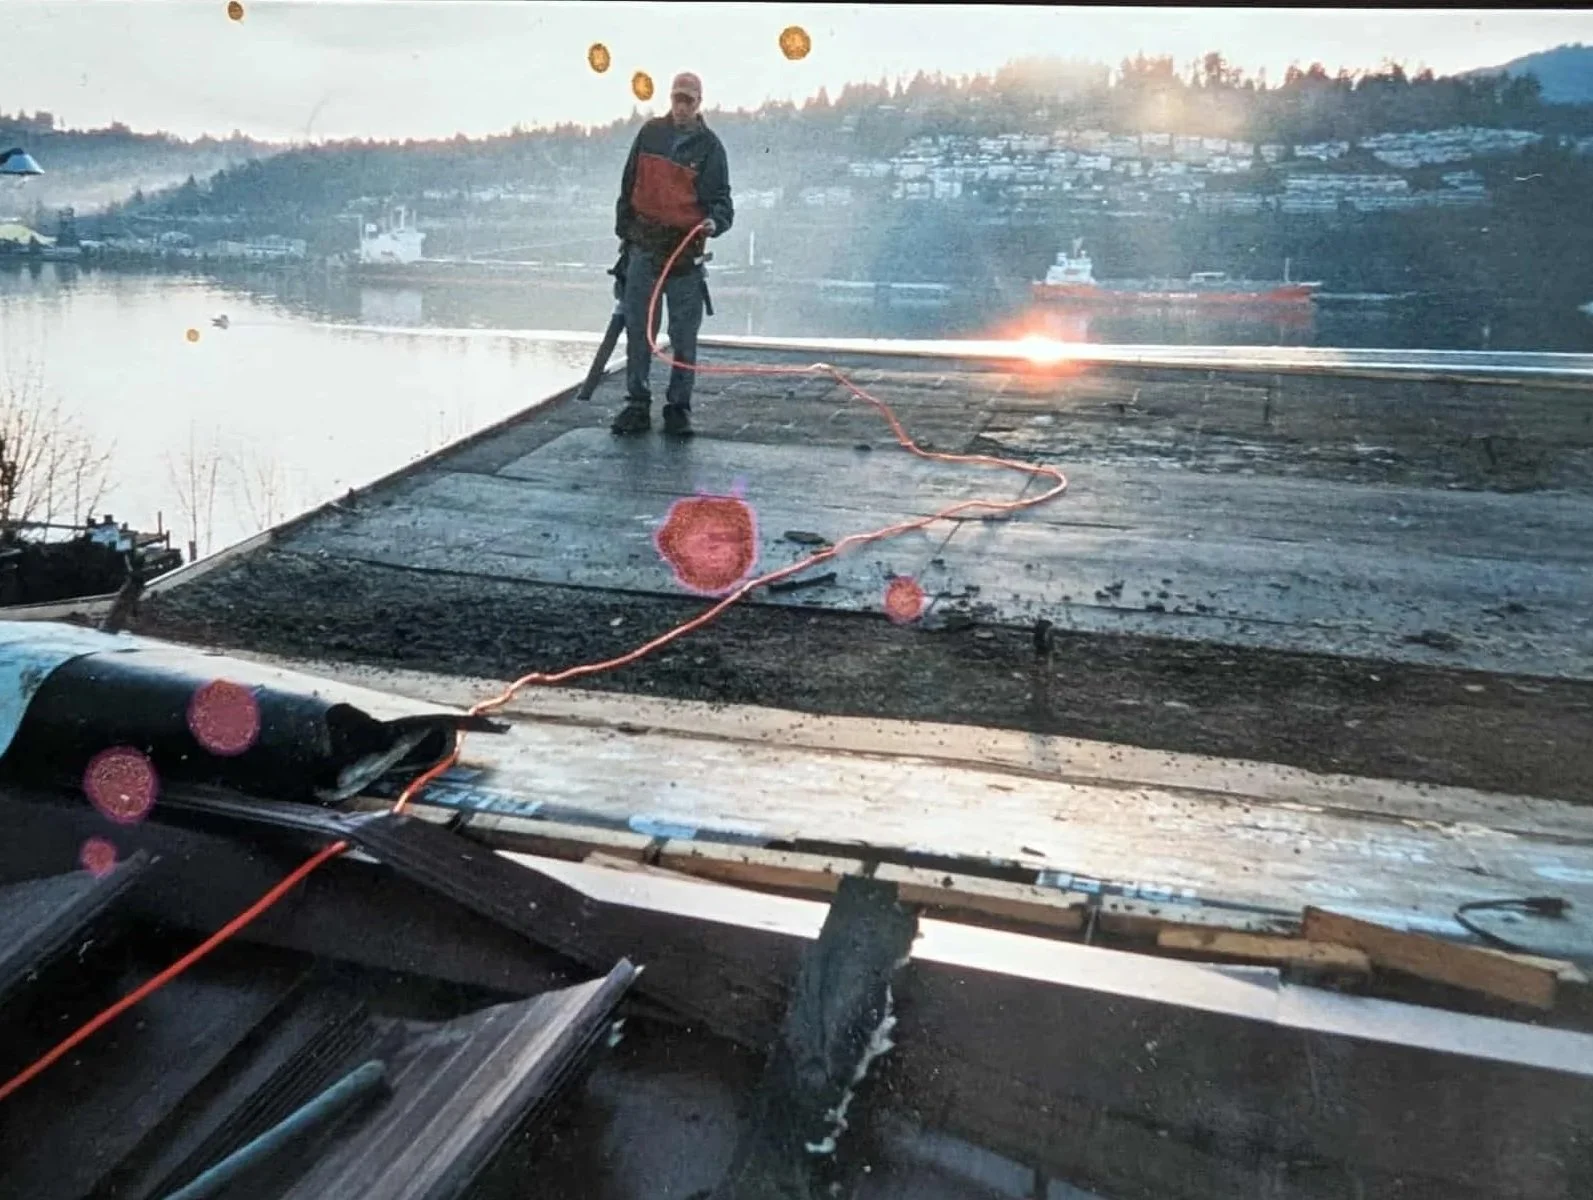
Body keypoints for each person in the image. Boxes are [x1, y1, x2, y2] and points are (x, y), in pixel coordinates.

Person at [610, 71, 733, 439]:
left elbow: (722, 201)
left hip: (684, 257)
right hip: (643, 250)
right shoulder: (649, 134)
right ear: (670, 98)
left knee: (683, 335)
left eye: (688, 101)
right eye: (677, 98)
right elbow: (628, 184)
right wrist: (625, 238)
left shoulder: (711, 148)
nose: (681, 106)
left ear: (699, 103)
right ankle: (637, 405)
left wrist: (715, 222)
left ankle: (678, 409)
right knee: (638, 330)